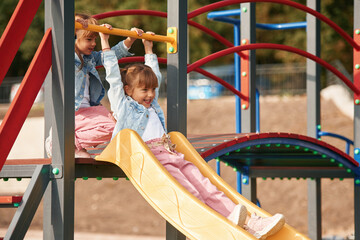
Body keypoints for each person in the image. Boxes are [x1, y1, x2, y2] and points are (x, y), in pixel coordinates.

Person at [101, 30, 285, 239]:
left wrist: (149, 48)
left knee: (207, 186)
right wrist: (105, 43)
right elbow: (113, 80)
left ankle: (249, 222)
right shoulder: (124, 107)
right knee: (192, 192)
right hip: (153, 159)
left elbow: (156, 76)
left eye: (152, 90)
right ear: (127, 90)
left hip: (172, 153)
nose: (151, 95)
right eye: (144, 90)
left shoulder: (152, 106)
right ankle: (224, 223)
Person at [45, 13, 143, 158]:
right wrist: (74, 24)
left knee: (120, 126)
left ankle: (74, 145)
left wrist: (130, 39)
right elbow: (60, 40)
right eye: (88, 39)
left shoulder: (90, 58)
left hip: (89, 111)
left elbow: (111, 54)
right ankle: (58, 141)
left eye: (95, 39)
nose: (93, 43)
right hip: (73, 112)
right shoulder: (67, 57)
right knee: (113, 127)